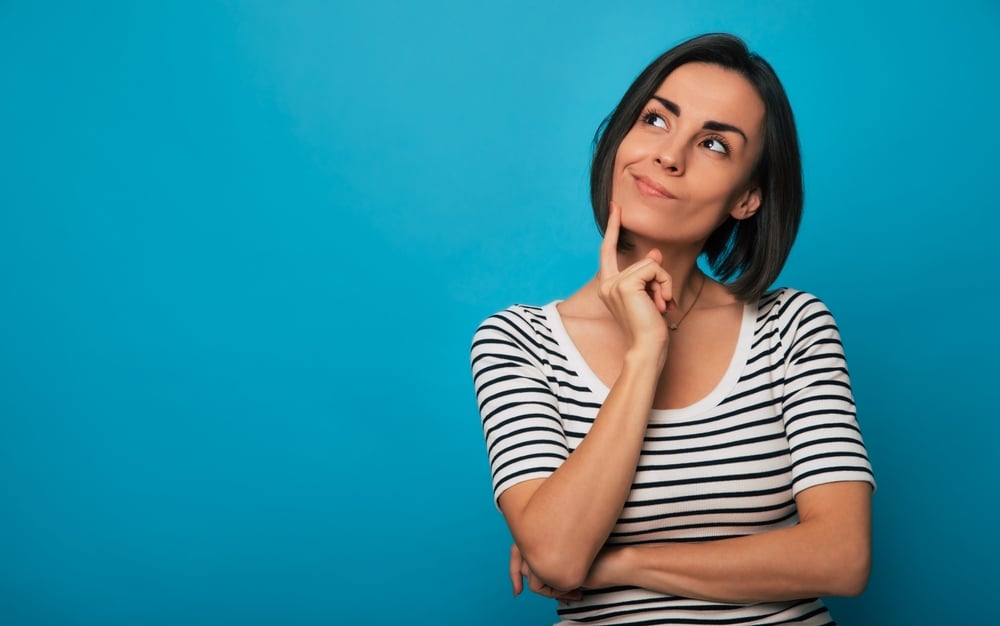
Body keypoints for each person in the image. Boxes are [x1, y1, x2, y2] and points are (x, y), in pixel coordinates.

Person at [469, 33, 875, 625]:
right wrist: (646, 354)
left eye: (714, 143)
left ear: (747, 198)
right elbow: (557, 556)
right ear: (619, 140)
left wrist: (620, 563)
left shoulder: (791, 328)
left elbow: (842, 558)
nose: (670, 155)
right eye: (656, 120)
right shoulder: (516, 343)